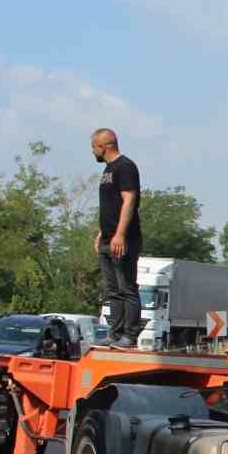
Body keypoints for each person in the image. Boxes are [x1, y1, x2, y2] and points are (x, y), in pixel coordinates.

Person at [92, 127, 142, 349]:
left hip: (123, 240)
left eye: (94, 147)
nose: (93, 152)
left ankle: (130, 336)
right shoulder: (108, 170)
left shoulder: (125, 167)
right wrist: (102, 233)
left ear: (103, 147)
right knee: (112, 290)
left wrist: (120, 234)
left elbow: (128, 200)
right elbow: (111, 206)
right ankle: (115, 333)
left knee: (127, 288)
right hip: (107, 239)